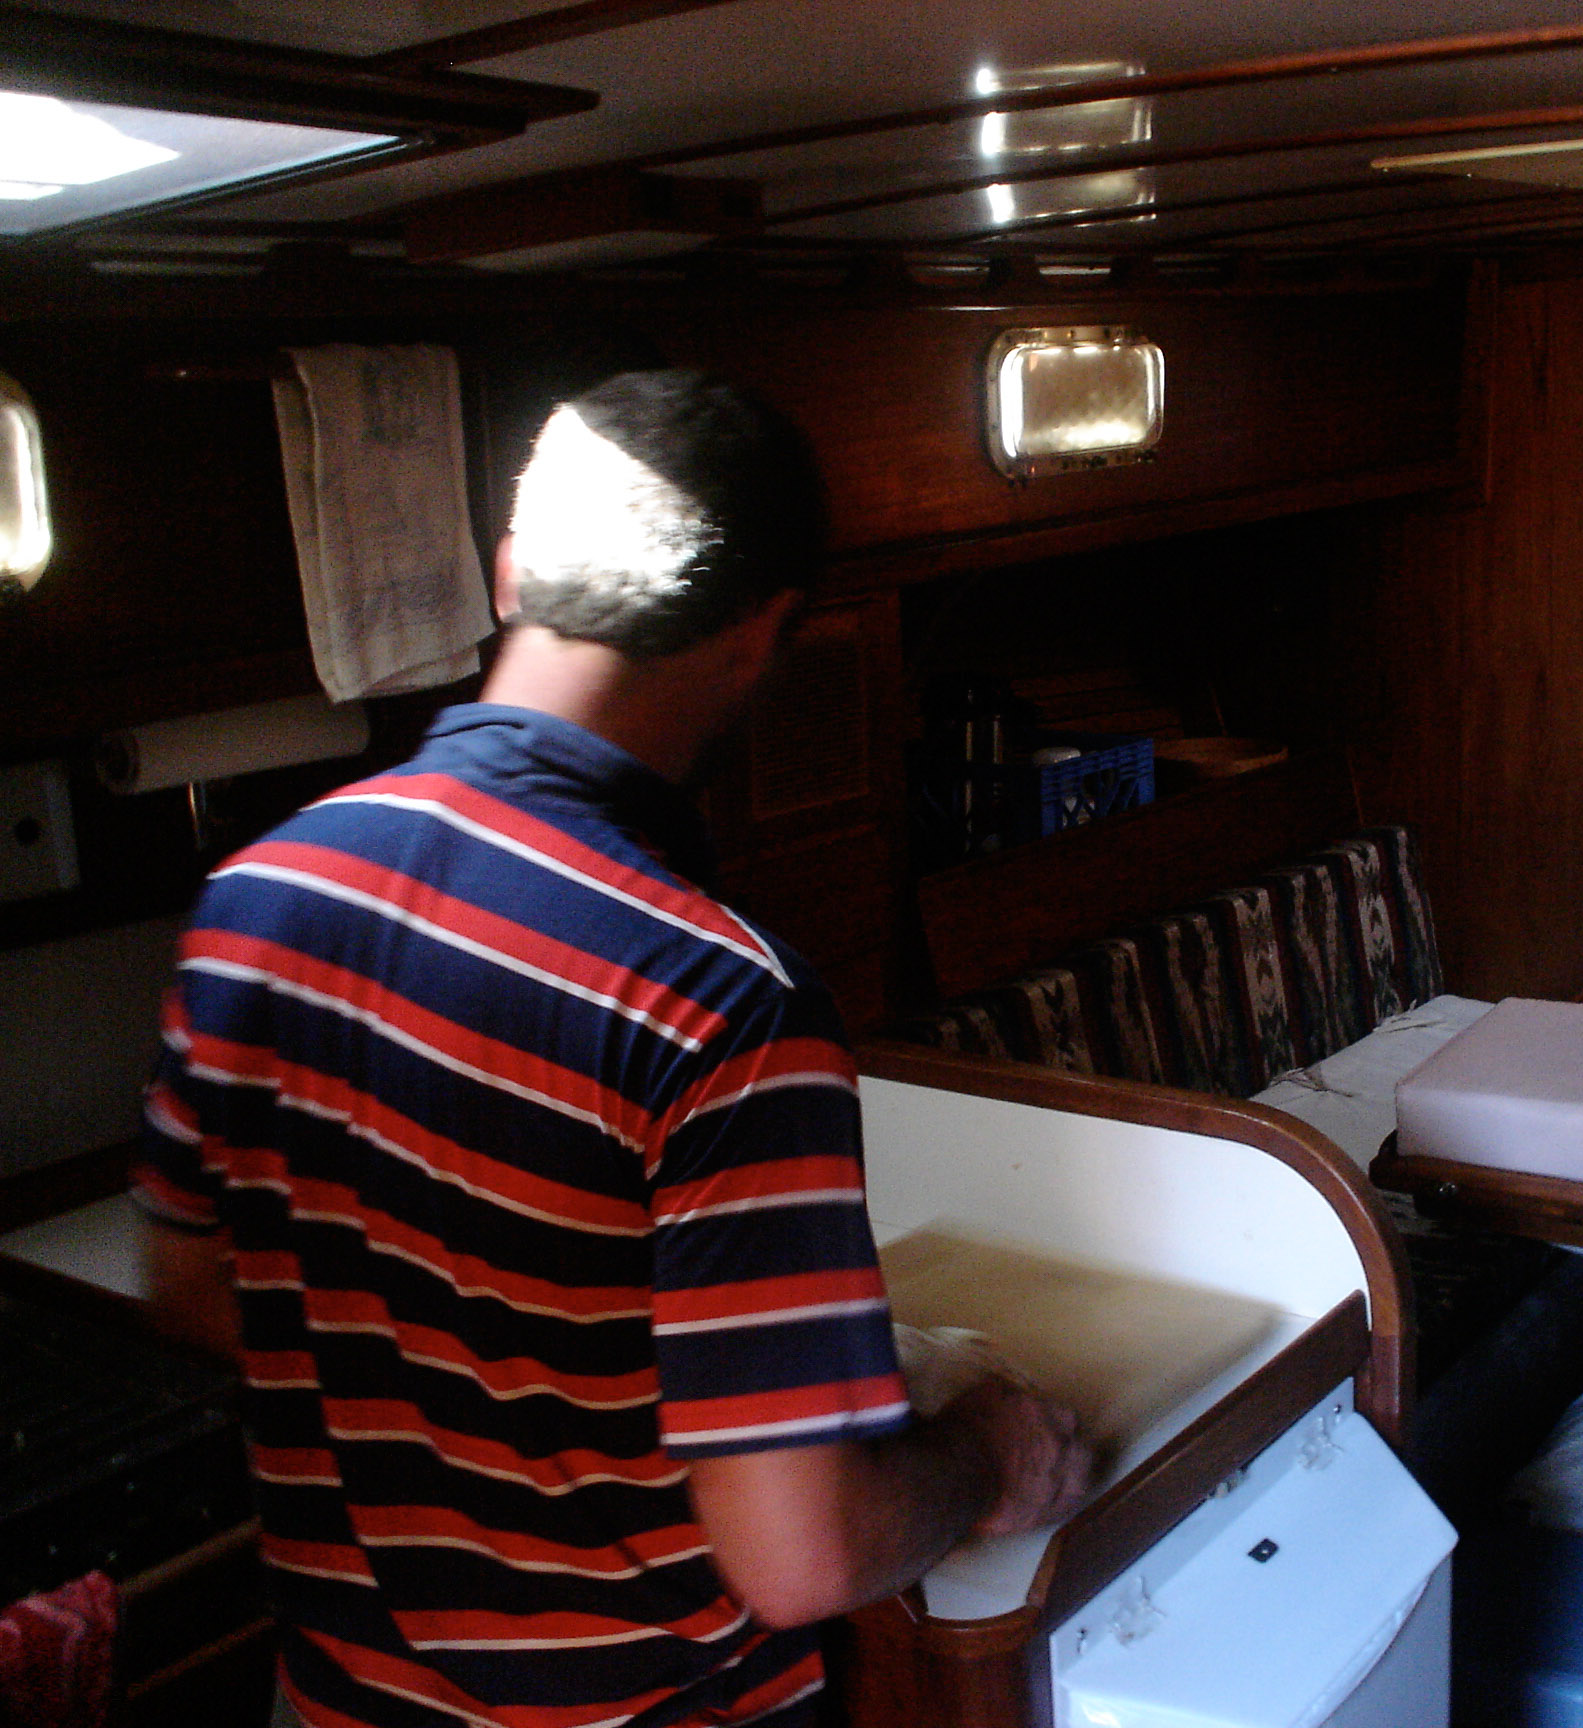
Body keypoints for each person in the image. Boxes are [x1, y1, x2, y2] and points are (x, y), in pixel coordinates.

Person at [135, 370, 1095, 1728]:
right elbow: (804, 1557)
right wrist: (982, 1455)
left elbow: (192, 1292)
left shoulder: (256, 900)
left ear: (508, 572)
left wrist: (460, 1394)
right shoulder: (721, 1006)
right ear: (758, 635)